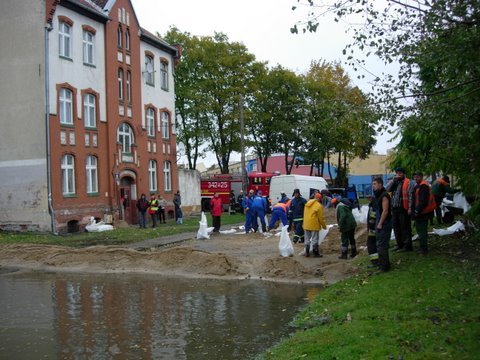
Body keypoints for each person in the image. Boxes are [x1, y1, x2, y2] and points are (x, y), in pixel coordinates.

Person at [386, 167, 414, 252]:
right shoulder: (395, 182)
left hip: (403, 208)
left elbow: (410, 196)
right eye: (397, 173)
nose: (398, 175)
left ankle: (407, 246)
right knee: (396, 227)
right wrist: (393, 180)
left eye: (400, 173)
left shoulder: (408, 182)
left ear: (403, 174)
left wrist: (409, 208)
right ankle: (399, 244)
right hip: (394, 208)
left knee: (405, 227)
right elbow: (387, 189)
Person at [412, 172, 436, 255]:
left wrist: (417, 211)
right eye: (414, 177)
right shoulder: (418, 186)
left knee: (422, 231)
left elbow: (423, 201)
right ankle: (422, 247)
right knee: (420, 231)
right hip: (421, 212)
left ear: (421, 177)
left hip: (423, 212)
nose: (415, 179)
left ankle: (424, 249)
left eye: (417, 177)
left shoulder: (423, 186)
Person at [373, 177, 392, 272]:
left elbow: (385, 211)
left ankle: (384, 267)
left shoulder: (384, 195)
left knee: (382, 245)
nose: (373, 186)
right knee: (379, 244)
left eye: (375, 184)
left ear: (380, 184)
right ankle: (382, 263)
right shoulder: (378, 195)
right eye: (373, 184)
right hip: (380, 221)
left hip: (384, 223)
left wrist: (380, 223)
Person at [302, 192, 327, 257]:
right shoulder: (319, 206)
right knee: (315, 239)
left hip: (306, 224)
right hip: (314, 224)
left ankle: (307, 253)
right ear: (319, 198)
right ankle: (315, 253)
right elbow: (320, 218)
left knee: (307, 239)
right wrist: (324, 226)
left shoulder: (307, 204)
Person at [366, 194, 379, 266]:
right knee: (373, 244)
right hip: (374, 227)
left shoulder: (373, 205)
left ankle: (375, 261)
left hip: (373, 228)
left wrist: (370, 227)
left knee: (371, 244)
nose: (368, 199)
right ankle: (376, 260)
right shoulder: (373, 203)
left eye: (368, 197)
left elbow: (372, 217)